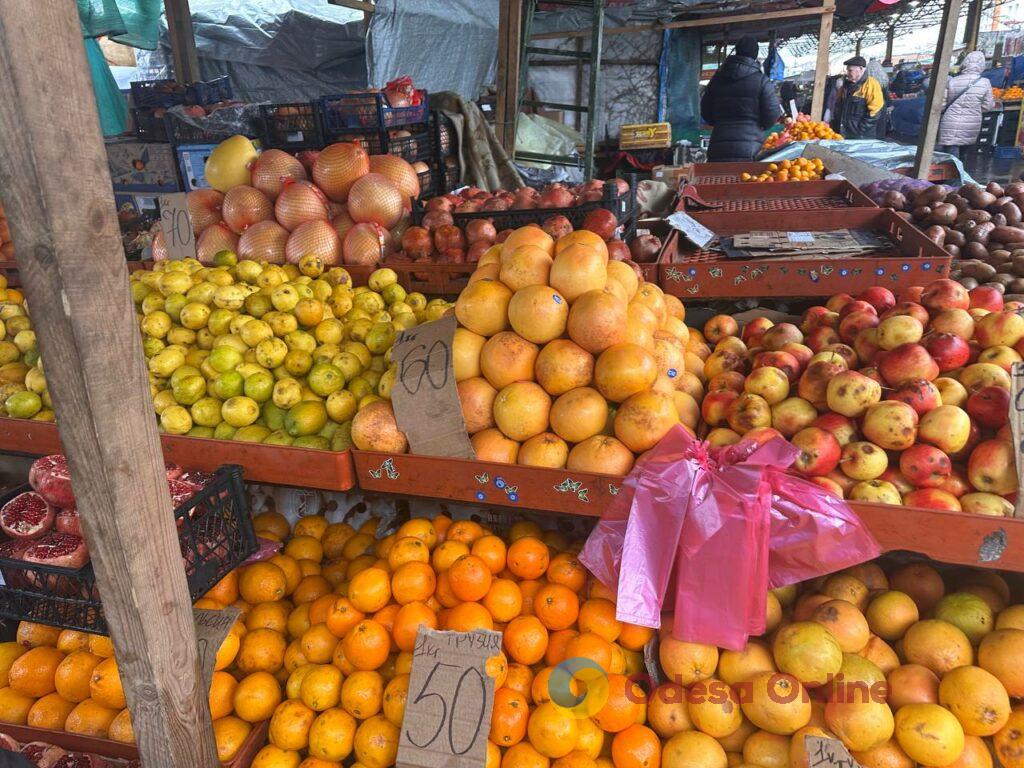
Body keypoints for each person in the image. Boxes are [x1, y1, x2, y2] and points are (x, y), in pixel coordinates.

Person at [700, 36, 783, 162]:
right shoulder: (761, 81)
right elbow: (772, 113)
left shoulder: (717, 79)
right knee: (745, 179)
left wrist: (720, 123)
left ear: (737, 51)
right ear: (755, 55)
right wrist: (759, 126)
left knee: (718, 179)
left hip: (719, 144)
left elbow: (706, 112)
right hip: (750, 146)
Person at [937, 50, 996, 158]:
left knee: (950, 161)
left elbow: (941, 105)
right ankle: (960, 174)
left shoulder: (952, 81)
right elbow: (988, 106)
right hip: (971, 124)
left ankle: (952, 174)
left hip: (950, 123)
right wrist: (973, 109)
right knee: (962, 158)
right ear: (982, 65)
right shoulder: (985, 82)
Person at [835, 55, 885, 139]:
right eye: (847, 70)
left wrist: (860, 130)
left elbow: (875, 112)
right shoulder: (846, 85)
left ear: (861, 69)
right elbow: (839, 105)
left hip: (861, 136)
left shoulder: (871, 85)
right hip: (844, 133)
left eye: (850, 70)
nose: (848, 73)